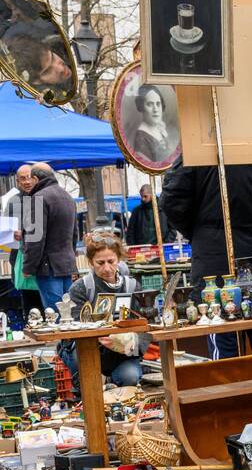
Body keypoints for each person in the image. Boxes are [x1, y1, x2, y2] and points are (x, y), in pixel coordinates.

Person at [160, 157, 252, 357]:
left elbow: (172, 201)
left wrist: (201, 231)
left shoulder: (199, 141)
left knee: (224, 346)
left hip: (216, 259)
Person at [61, 234, 148, 387]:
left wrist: (131, 342)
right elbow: (73, 329)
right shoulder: (81, 288)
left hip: (122, 354)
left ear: (119, 259)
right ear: (90, 262)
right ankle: (91, 384)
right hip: (88, 349)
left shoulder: (133, 286)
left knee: (130, 378)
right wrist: (100, 337)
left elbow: (145, 326)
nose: (107, 268)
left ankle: (111, 381)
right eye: (100, 263)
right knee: (90, 383)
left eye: (111, 261)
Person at [21, 162, 78, 309]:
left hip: (48, 267)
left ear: (35, 178)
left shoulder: (38, 198)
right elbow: (74, 235)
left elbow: (35, 238)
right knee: (68, 315)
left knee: (55, 316)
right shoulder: (67, 197)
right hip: (66, 264)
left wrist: (28, 267)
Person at [131, 84, 175, 169]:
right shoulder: (141, 139)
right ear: (141, 107)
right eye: (150, 104)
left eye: (158, 104)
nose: (155, 109)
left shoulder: (161, 130)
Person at [125, 183, 176, 247]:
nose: (143, 199)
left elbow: (173, 229)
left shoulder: (164, 210)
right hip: (141, 249)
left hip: (161, 247)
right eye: (141, 196)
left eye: (145, 196)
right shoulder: (136, 211)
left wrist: (165, 243)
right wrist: (133, 247)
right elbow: (130, 231)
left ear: (152, 195)